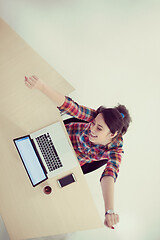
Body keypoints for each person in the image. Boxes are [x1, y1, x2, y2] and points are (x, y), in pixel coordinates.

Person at [24, 75, 132, 229]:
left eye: (99, 128)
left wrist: (109, 210)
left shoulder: (115, 150)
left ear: (112, 134)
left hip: (64, 159)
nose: (92, 129)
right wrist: (42, 87)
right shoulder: (95, 116)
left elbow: (109, 174)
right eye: (94, 124)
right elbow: (71, 107)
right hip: (55, 136)